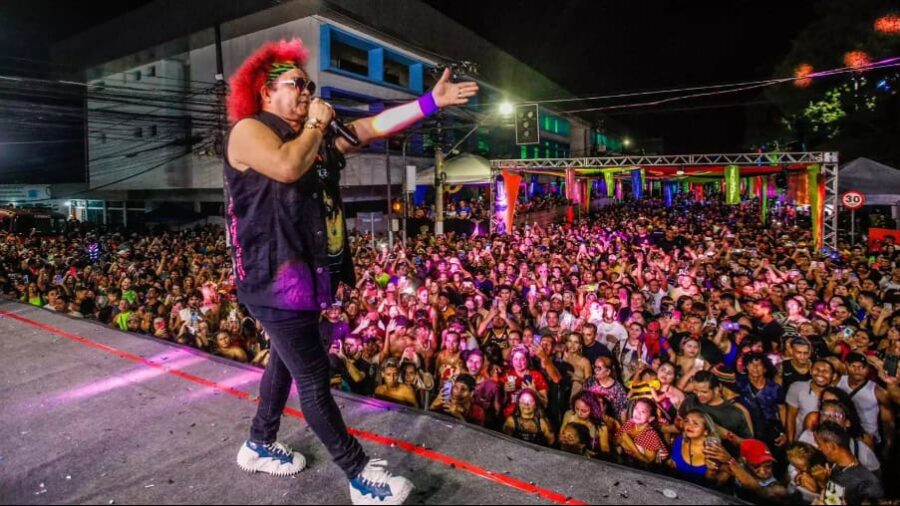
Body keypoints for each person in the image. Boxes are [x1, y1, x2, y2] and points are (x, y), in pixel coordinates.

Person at [226, 38, 477, 504]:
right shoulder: (250, 131)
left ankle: (259, 442)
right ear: (264, 92)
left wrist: (430, 102)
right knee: (315, 380)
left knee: (284, 363)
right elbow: (285, 166)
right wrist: (317, 125)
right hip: (272, 280)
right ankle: (361, 477)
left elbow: (369, 126)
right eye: (296, 85)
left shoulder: (315, 139)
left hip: (306, 281)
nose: (306, 92)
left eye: (309, 86)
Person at [813, 422, 884, 505]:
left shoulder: (866, 483)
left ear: (832, 446)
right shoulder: (832, 465)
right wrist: (825, 482)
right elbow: (833, 500)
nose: (818, 447)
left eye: (819, 444)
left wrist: (825, 483)